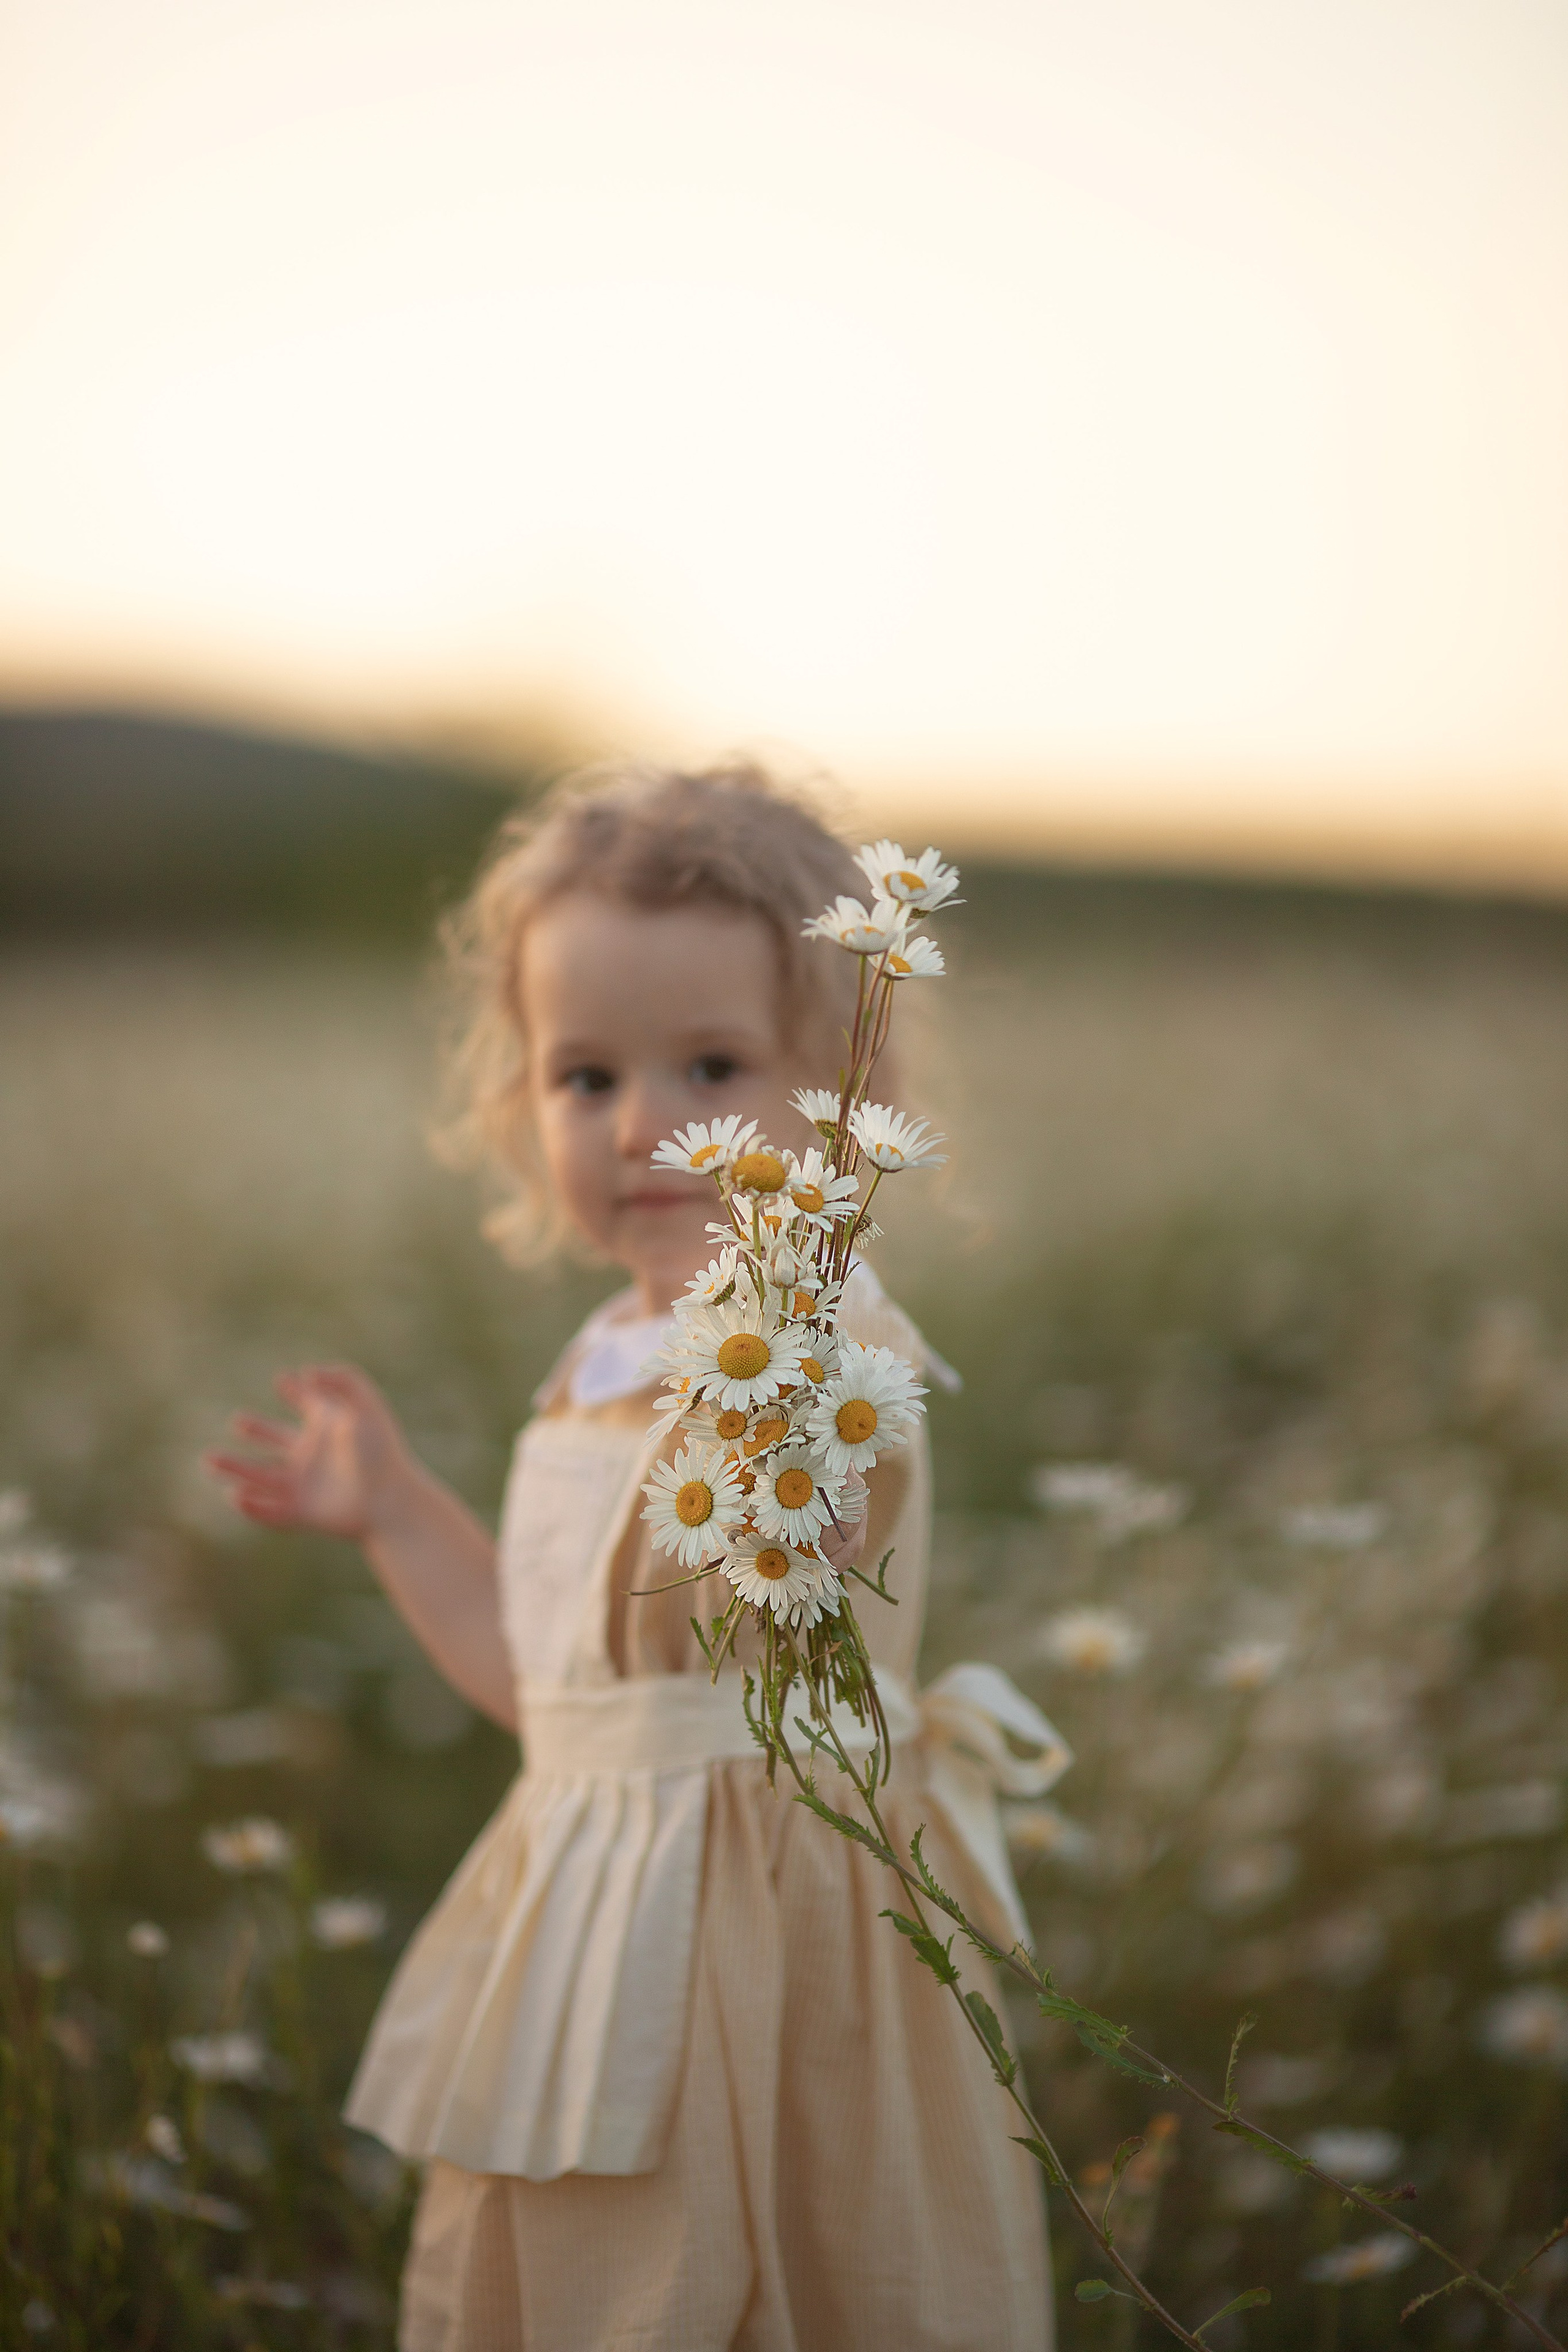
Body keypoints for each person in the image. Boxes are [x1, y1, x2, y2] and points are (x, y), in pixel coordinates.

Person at [208, 761, 1064, 2352]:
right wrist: (399, 1511)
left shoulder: (822, 1346)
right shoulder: (594, 1363)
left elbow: (791, 1562)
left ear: (838, 1092)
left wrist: (777, 1331)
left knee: (793, 2255)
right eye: (584, 1077)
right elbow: (563, 1700)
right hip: (593, 1933)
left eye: (712, 1065)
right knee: (599, 2274)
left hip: (777, 1925)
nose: (646, 1124)